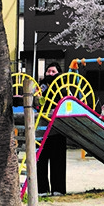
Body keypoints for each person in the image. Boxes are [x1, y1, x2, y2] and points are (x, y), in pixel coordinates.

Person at [36, 65, 66, 195]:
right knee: (40, 160)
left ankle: (58, 188)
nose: (50, 73)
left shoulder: (63, 87)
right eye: (48, 71)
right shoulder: (40, 87)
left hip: (58, 128)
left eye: (54, 71)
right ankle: (42, 189)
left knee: (58, 161)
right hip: (41, 129)